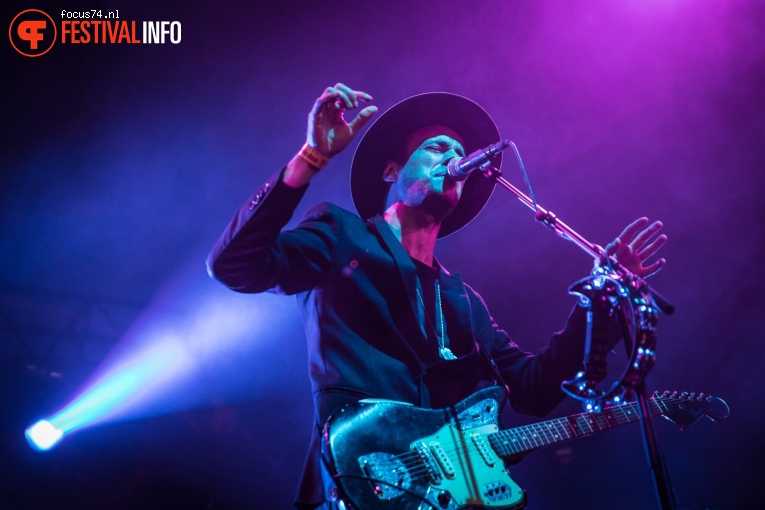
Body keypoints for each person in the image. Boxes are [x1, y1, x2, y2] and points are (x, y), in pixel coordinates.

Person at [206, 83, 667, 509]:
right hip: (357, 480)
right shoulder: (339, 233)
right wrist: (310, 158)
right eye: (436, 147)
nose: (453, 158)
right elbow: (234, 265)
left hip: (445, 496)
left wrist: (603, 298)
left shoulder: (463, 301)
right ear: (392, 170)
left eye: (460, 153)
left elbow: (533, 389)